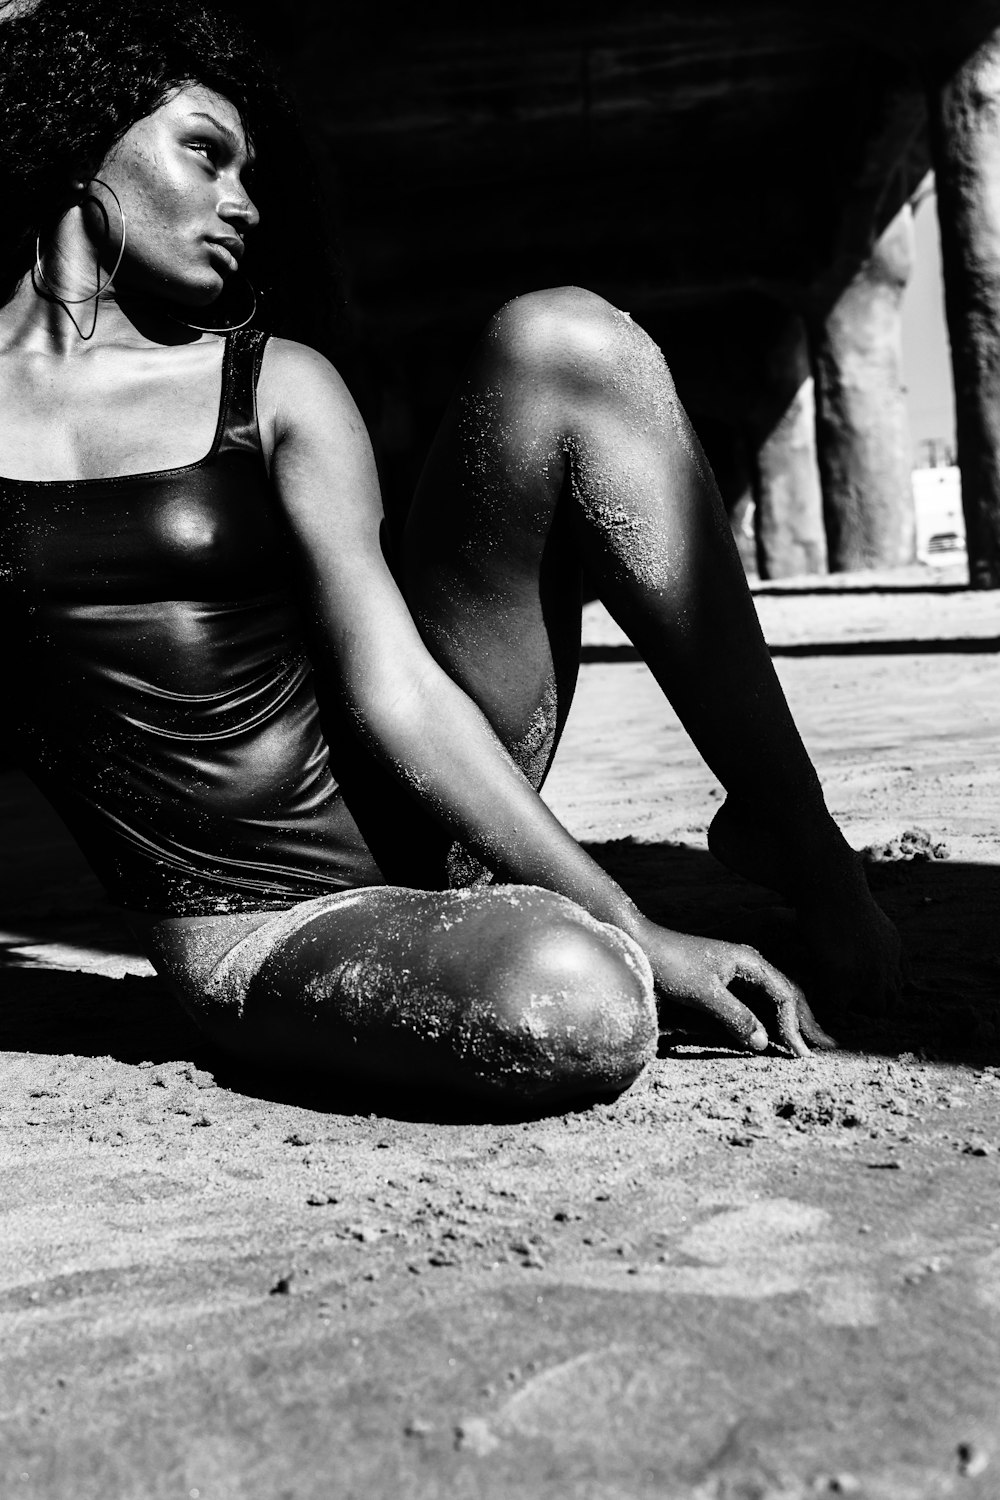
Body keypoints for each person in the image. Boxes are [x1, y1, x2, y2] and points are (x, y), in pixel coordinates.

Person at [0, 0, 899, 1105]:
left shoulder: (274, 382)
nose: (244, 204)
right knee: (578, 998)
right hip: (265, 924)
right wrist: (619, 945)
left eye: (252, 173)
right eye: (207, 155)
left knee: (568, 337)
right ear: (80, 140)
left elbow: (396, 684)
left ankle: (791, 829)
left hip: (426, 799)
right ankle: (534, 933)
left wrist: (633, 920)